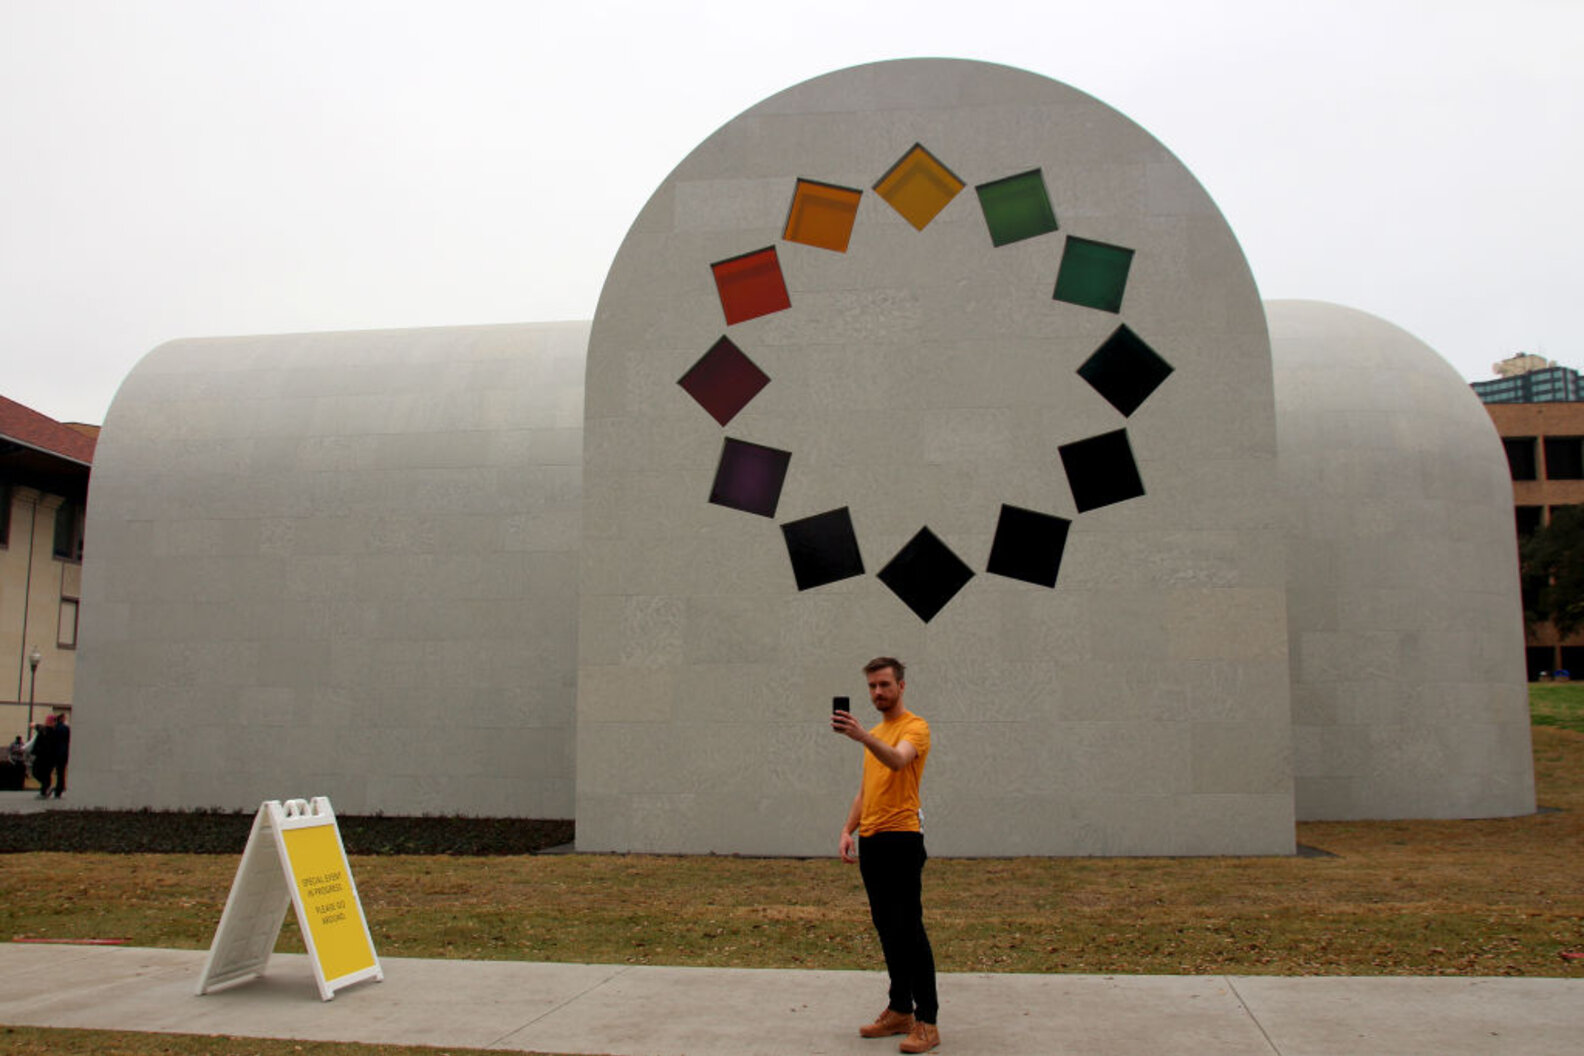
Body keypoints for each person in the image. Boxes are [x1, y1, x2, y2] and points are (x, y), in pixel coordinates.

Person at [831, 656, 939, 1054]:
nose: (878, 692)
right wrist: (848, 830)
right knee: (887, 928)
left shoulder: (915, 727)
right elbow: (866, 791)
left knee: (910, 930)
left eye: (884, 685)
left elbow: (897, 761)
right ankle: (900, 1010)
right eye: (872, 686)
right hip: (873, 841)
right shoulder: (875, 733)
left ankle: (927, 1021)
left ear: (901, 686)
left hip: (902, 839)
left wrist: (862, 737)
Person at [30, 717, 57, 798]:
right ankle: (45, 790)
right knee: (46, 774)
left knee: (37, 772)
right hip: (49, 756)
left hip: (43, 755)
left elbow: (40, 728)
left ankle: (46, 789)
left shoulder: (48, 730)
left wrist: (35, 725)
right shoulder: (50, 730)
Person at [44, 713, 69, 798]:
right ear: (61, 718)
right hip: (63, 753)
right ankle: (59, 790)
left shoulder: (53, 728)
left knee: (49, 771)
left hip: (53, 752)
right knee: (61, 772)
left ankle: (47, 787)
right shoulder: (65, 728)